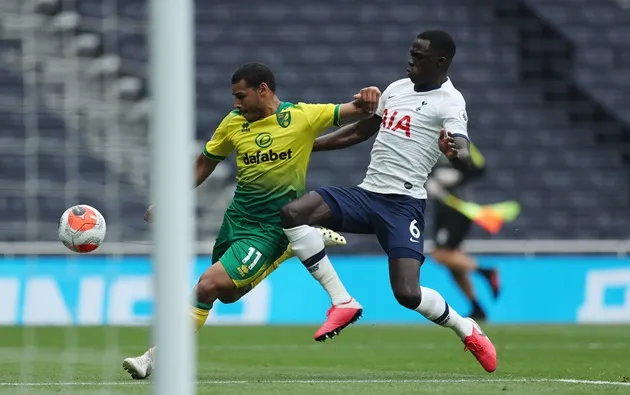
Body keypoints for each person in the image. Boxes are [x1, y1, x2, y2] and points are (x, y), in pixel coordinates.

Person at [121, 62, 381, 379]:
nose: (236, 103)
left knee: (205, 286)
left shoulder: (302, 116)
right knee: (226, 295)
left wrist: (372, 97)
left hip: (271, 229)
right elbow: (205, 162)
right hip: (237, 222)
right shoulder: (233, 123)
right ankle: (292, 248)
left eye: (241, 96)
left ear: (263, 90)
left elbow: (358, 110)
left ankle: (154, 358)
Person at [268, 30, 497, 373]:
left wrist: (456, 152)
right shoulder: (395, 89)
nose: (410, 60)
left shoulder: (450, 101)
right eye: (411, 53)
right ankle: (342, 301)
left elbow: (463, 149)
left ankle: (467, 328)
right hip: (366, 195)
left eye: (419, 57)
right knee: (293, 213)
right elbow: (360, 131)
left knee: (407, 294)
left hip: (403, 206)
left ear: (441, 62)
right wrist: (308, 146)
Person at [426, 148, 501, 321]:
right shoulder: (429, 142)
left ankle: (487, 272)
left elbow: (479, 167)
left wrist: (458, 175)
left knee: (440, 255)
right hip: (442, 209)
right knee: (453, 263)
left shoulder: (459, 142)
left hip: (458, 208)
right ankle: (477, 307)